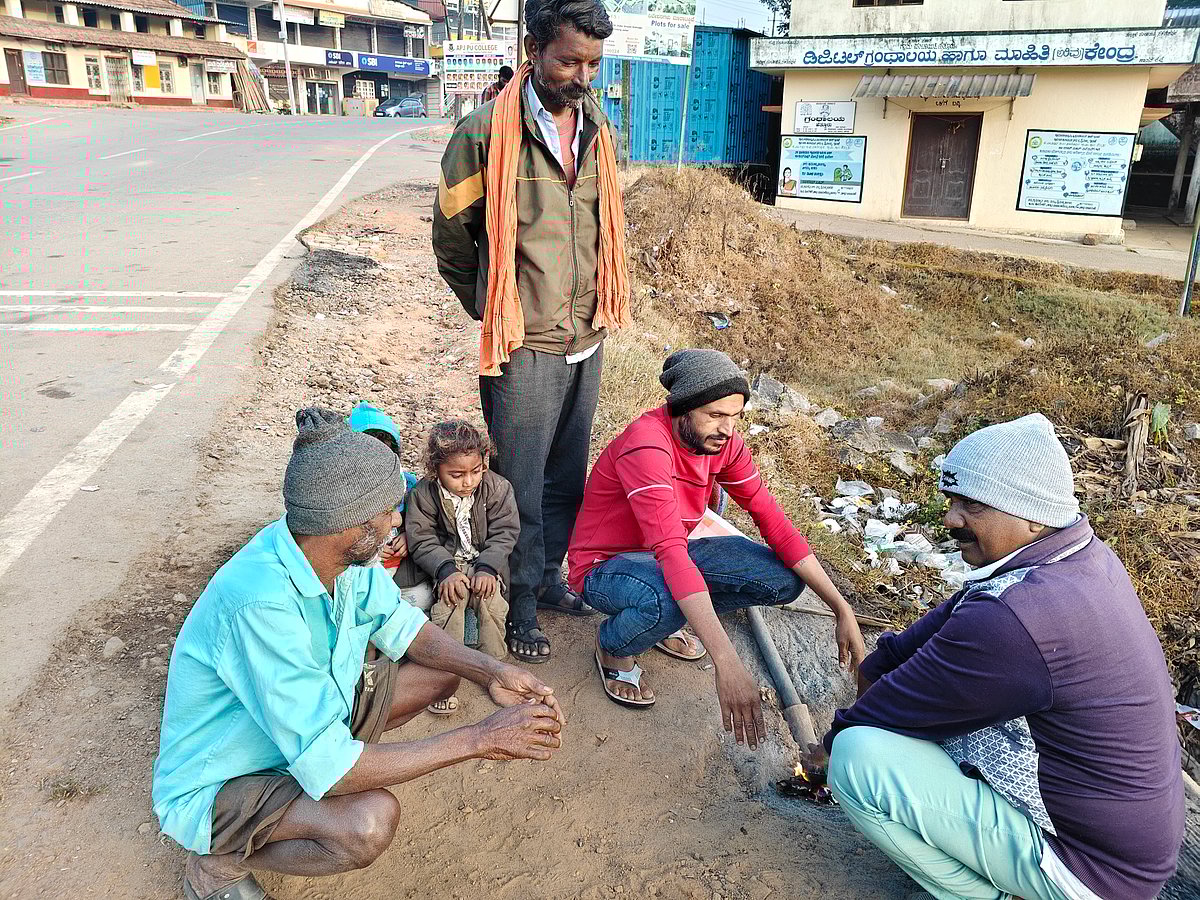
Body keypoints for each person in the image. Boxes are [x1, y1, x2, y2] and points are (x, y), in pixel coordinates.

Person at [152, 408, 564, 900]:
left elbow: (407, 628)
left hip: (301, 720)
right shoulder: (260, 605)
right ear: (350, 524)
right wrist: (478, 739)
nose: (397, 522)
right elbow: (331, 766)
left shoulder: (340, 555)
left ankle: (316, 773)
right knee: (367, 823)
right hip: (229, 775)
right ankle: (216, 865)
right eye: (389, 511)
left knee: (441, 674)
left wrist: (490, 669)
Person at [806, 414, 1184, 900]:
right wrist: (878, 668)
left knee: (858, 759)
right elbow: (906, 650)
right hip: (1124, 842)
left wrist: (828, 749)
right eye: (951, 502)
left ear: (1031, 515)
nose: (950, 519)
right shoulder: (1073, 559)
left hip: (1094, 873)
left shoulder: (1020, 617)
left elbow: (881, 714)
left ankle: (990, 894)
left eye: (973, 506)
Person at [433, 0, 630, 664]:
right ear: (533, 47)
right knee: (517, 485)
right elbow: (452, 242)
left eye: (594, 64)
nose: (582, 76)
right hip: (524, 345)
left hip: (587, 337)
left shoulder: (599, 127)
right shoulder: (482, 132)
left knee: (566, 480)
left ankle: (547, 582)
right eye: (569, 60)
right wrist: (496, 310)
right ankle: (516, 606)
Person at [566, 349, 866, 743]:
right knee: (666, 598)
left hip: (665, 554)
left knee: (784, 581)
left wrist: (841, 608)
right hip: (604, 567)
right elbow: (672, 552)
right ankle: (612, 645)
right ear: (682, 409)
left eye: (735, 417)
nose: (727, 429)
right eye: (715, 415)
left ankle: (662, 621)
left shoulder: (721, 444)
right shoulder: (647, 446)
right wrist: (728, 661)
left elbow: (774, 522)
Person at [404, 420, 521, 714]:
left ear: (484, 462)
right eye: (456, 475)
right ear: (435, 470)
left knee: (491, 605)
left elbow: (505, 533)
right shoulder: (423, 494)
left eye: (476, 471)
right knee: (449, 605)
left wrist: (488, 568)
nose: (468, 481)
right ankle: (447, 674)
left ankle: (494, 668)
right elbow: (421, 538)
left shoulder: (498, 488)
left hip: (486, 565)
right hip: (446, 565)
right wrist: (444, 570)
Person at [347, 401, 422, 591]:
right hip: (360, 566)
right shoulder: (344, 490)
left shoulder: (407, 484)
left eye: (385, 455)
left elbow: (421, 519)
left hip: (401, 566)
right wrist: (370, 551)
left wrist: (408, 535)